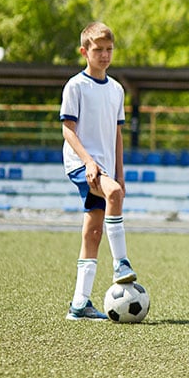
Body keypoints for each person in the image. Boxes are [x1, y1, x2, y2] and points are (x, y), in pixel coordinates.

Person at [60, 21, 138, 321]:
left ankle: (79, 304)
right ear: (84, 52)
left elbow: (117, 135)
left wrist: (120, 173)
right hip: (81, 164)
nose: (104, 55)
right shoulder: (76, 86)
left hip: (104, 166)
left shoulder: (117, 90)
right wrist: (89, 162)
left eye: (109, 50)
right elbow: (68, 130)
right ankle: (121, 264)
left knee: (93, 231)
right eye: (98, 50)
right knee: (113, 193)